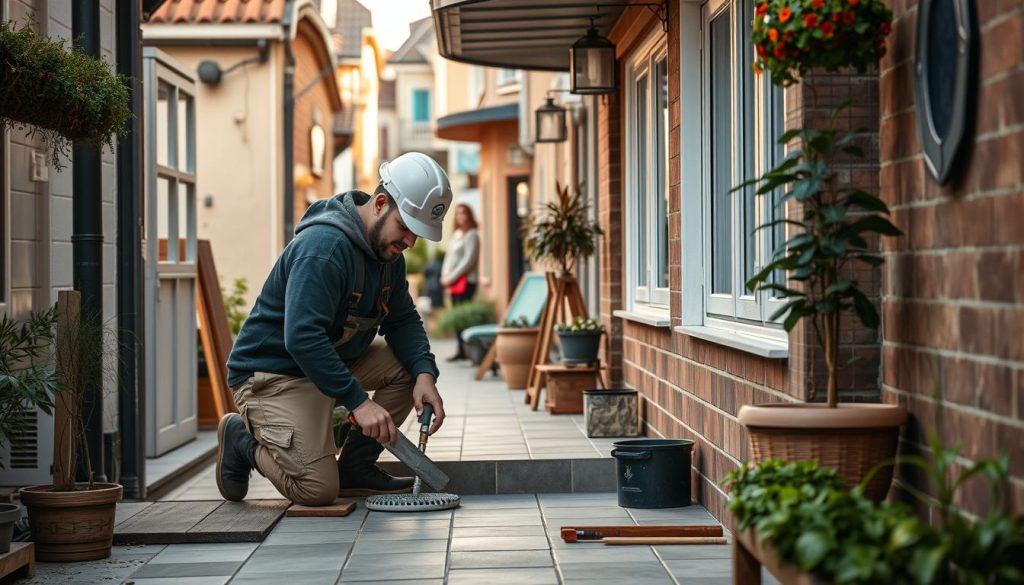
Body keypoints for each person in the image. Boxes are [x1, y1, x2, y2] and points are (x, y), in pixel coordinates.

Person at [216, 152, 452, 506]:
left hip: (325, 365)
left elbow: (402, 321)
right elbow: (302, 337)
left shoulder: (388, 259)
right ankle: (242, 440)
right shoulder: (323, 249)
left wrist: (424, 374)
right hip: (272, 374)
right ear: (381, 203)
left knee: (407, 365)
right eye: (405, 227)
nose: (409, 242)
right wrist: (358, 402)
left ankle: (356, 468)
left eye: (416, 234)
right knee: (317, 490)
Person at [440, 203, 480, 362]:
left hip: (466, 282)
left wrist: (452, 277)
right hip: (453, 282)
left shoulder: (472, 235)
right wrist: (444, 276)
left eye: (463, 213)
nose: (460, 217)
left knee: (464, 317)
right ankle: (460, 349)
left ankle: (469, 349)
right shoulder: (456, 234)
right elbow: (449, 258)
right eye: (458, 214)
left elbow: (468, 261)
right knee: (456, 316)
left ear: (469, 216)